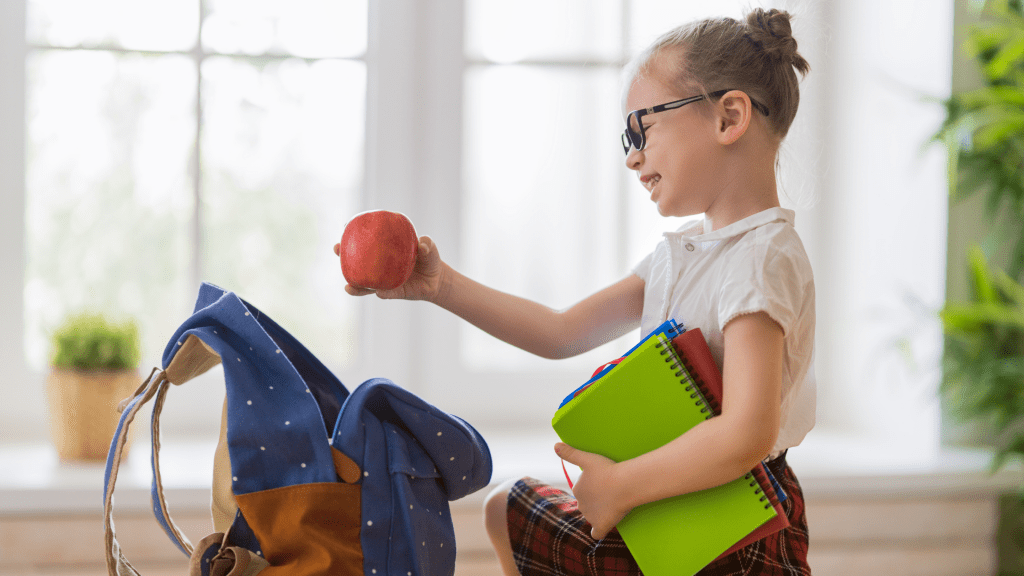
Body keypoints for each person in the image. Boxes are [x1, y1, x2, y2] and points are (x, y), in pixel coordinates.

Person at [335, 7, 815, 575]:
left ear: (728, 117)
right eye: (625, 138)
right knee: (505, 510)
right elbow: (561, 332)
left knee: (509, 513)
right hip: (672, 503)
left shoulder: (760, 258)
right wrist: (441, 286)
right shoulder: (682, 253)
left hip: (734, 522)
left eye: (643, 127)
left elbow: (745, 434)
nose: (633, 155)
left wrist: (622, 485)